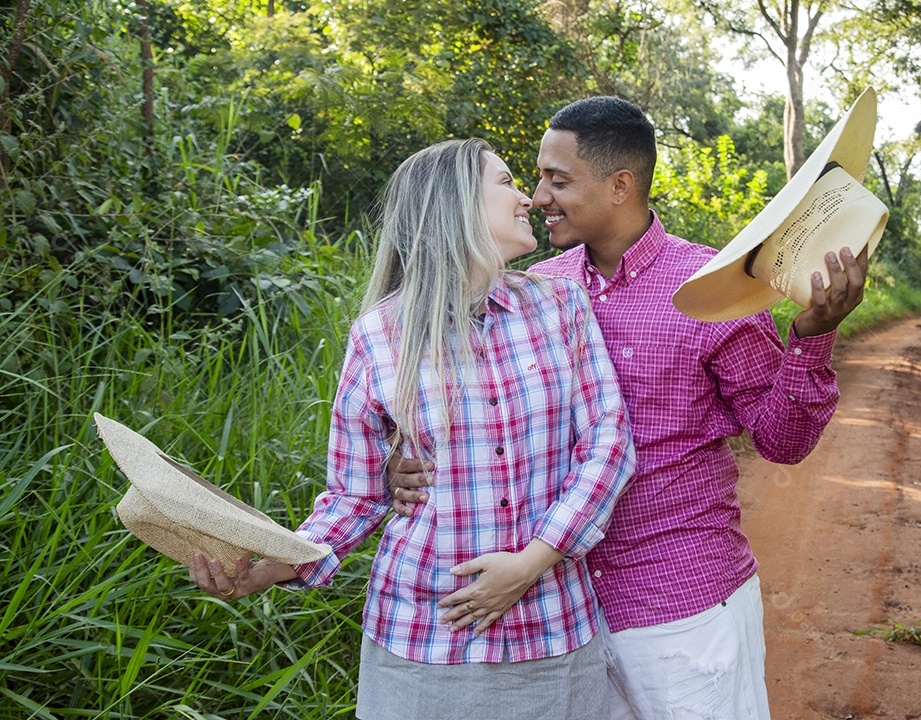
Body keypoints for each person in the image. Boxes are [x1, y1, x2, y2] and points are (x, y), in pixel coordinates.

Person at [389, 97, 868, 719]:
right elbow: (482, 419)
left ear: (620, 186)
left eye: (558, 181)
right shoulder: (537, 291)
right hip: (559, 614)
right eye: (536, 178)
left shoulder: (710, 290)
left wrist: (814, 336)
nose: (538, 197)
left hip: (682, 605)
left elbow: (782, 441)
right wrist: (400, 466)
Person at [190, 138, 636, 720]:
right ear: (453, 206)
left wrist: (530, 562)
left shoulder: (561, 307)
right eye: (505, 183)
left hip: (550, 628)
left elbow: (609, 443)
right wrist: (273, 566)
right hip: (420, 635)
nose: (526, 198)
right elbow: (355, 493)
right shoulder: (379, 335)